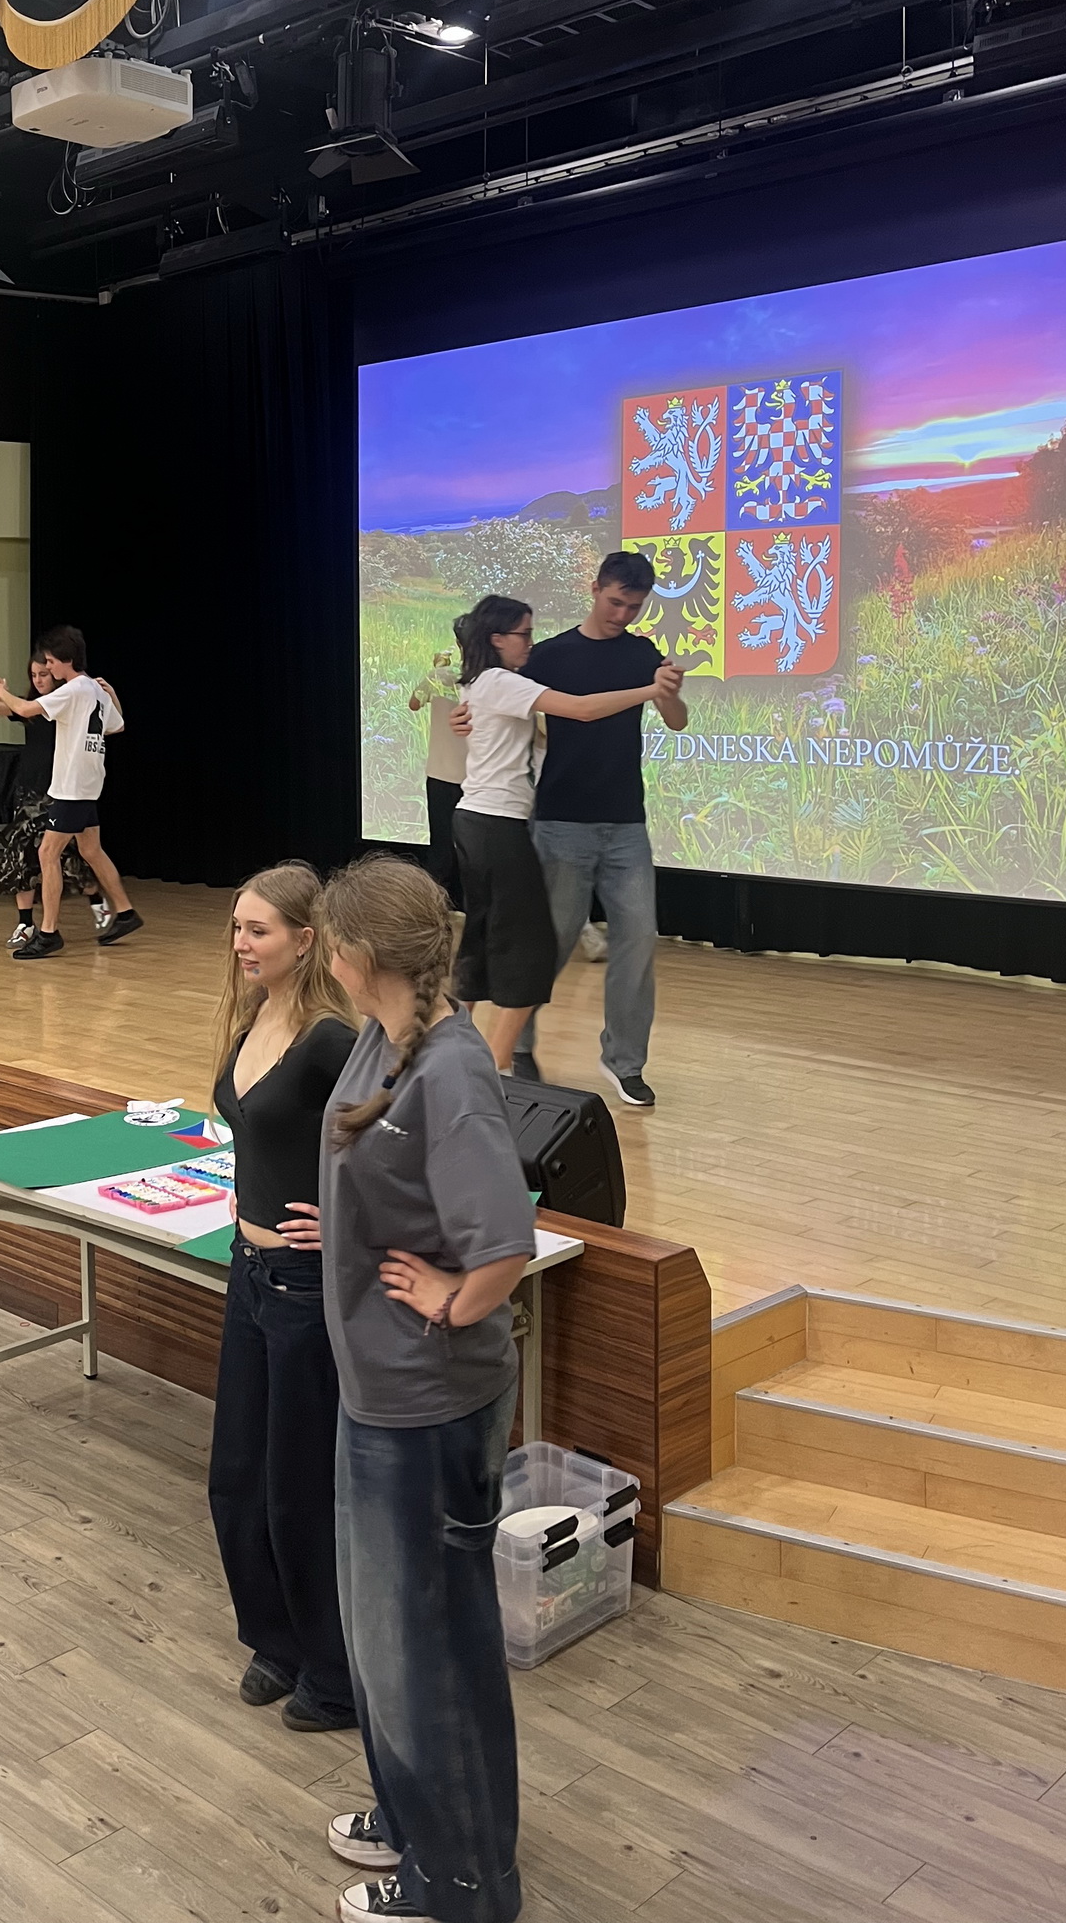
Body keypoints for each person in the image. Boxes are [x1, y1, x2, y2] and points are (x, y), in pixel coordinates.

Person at [313, 854, 538, 1923]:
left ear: (360, 957)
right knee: (384, 1638)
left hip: (428, 1403)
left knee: (427, 1648)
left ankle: (461, 1885)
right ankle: (419, 1820)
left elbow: (505, 1244)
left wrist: (454, 1297)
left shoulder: (452, 1071)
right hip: (379, 1393)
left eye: (329, 940)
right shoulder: (384, 1035)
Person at [208, 862, 361, 1735]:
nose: (241, 943)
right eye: (237, 926)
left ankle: (335, 1672)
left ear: (305, 940)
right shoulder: (254, 1019)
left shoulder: (332, 1043)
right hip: (249, 1274)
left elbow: (403, 1145)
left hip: (305, 1289)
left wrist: (349, 1224)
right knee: (237, 1478)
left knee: (299, 1489)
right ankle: (277, 1641)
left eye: (257, 930)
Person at [451, 595, 680, 1075]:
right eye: (523, 634)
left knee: (483, 937)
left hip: (480, 820)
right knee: (527, 949)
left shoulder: (485, 682)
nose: (530, 644)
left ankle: (457, 1051)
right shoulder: (502, 681)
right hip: (498, 825)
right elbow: (581, 710)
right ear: (498, 639)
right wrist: (648, 689)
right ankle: (497, 1064)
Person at [512, 551, 688, 1109]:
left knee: (638, 939)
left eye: (634, 606)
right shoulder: (551, 654)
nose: (623, 615)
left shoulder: (641, 653)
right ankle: (518, 1044)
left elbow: (677, 721)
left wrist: (669, 693)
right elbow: (508, 708)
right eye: (615, 602)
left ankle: (625, 1062)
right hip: (561, 821)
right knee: (553, 943)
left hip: (626, 823)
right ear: (594, 589)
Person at [0, 624, 141, 958]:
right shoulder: (94, 689)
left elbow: (26, 709)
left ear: (66, 659)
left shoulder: (74, 689)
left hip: (72, 787)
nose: (49, 668)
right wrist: (112, 694)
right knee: (91, 850)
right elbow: (117, 725)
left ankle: (48, 932)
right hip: (88, 784)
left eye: (52, 662)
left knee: (47, 853)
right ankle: (126, 912)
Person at [407, 652, 465, 909]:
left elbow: (414, 703)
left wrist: (437, 669)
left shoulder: (440, 675)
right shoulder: (487, 679)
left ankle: (434, 909)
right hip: (473, 780)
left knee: (441, 848)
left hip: (440, 775)